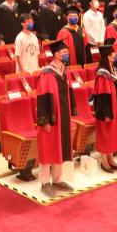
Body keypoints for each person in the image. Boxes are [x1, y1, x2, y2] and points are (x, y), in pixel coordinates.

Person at [35, 38, 74, 198]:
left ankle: (58, 180)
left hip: (63, 115)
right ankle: (45, 183)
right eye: (64, 53)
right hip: (51, 117)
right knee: (48, 148)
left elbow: (70, 91)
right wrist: (45, 120)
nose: (67, 55)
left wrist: (71, 112)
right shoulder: (47, 73)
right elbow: (42, 97)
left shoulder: (65, 71)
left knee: (60, 147)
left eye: (67, 52)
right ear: (56, 54)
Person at [92, 43, 117, 172]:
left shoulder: (112, 69)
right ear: (108, 56)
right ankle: (104, 161)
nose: (115, 54)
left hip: (114, 106)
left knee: (111, 133)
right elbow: (102, 95)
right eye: (113, 53)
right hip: (105, 109)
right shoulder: (103, 74)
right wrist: (106, 113)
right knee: (105, 134)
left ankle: (110, 158)